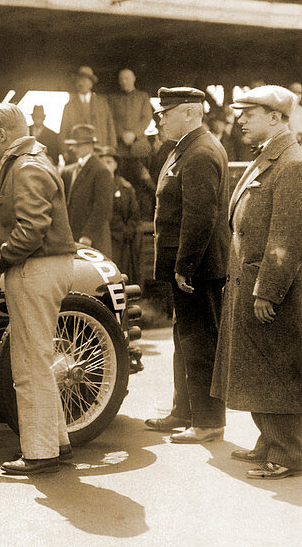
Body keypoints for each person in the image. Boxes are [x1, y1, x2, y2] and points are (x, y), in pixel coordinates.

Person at [0, 103, 77, 474]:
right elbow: (25, 226)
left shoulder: (26, 165)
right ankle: (56, 442)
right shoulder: (30, 161)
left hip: (35, 268)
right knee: (40, 359)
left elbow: (31, 229)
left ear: (3, 133)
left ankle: (39, 453)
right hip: (41, 265)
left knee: (29, 364)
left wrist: (0, 262)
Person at [212, 86, 302, 479]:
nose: (241, 120)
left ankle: (288, 453)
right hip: (249, 281)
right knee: (257, 371)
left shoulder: (292, 163)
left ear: (277, 118)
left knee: (274, 372)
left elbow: (286, 237)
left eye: (250, 113)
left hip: (268, 288)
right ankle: (269, 442)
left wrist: (268, 291)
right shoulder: (271, 157)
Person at [150, 87, 229, 443]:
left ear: (189, 113)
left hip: (196, 268)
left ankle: (209, 422)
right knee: (186, 341)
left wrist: (185, 266)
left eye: (165, 113)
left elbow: (200, 217)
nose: (160, 119)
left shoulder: (199, 152)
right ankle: (185, 412)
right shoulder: (188, 148)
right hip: (189, 266)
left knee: (200, 344)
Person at [61, 124, 114, 256]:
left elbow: (102, 207)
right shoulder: (70, 170)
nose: (73, 149)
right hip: (73, 236)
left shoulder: (101, 171)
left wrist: (88, 235)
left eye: (77, 145)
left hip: (92, 240)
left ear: (90, 145)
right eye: (73, 145)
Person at [100, 145, 141, 282]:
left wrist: (127, 231)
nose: (105, 166)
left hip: (121, 239)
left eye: (109, 162)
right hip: (102, 236)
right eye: (102, 162)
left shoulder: (125, 187)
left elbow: (134, 214)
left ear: (116, 164)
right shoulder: (95, 185)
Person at [108, 68, 154, 183]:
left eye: (127, 78)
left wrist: (134, 134)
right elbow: (110, 119)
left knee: (143, 181)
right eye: (121, 79)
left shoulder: (142, 97)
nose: (124, 81)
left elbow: (146, 117)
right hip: (119, 147)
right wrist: (122, 134)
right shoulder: (113, 99)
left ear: (133, 79)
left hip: (139, 146)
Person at [60, 66, 117, 149]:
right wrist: (64, 151)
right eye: (79, 80)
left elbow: (110, 125)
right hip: (78, 151)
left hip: (99, 148)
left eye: (84, 80)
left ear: (91, 84)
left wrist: (112, 147)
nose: (81, 83)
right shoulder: (69, 106)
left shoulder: (102, 103)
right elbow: (63, 130)